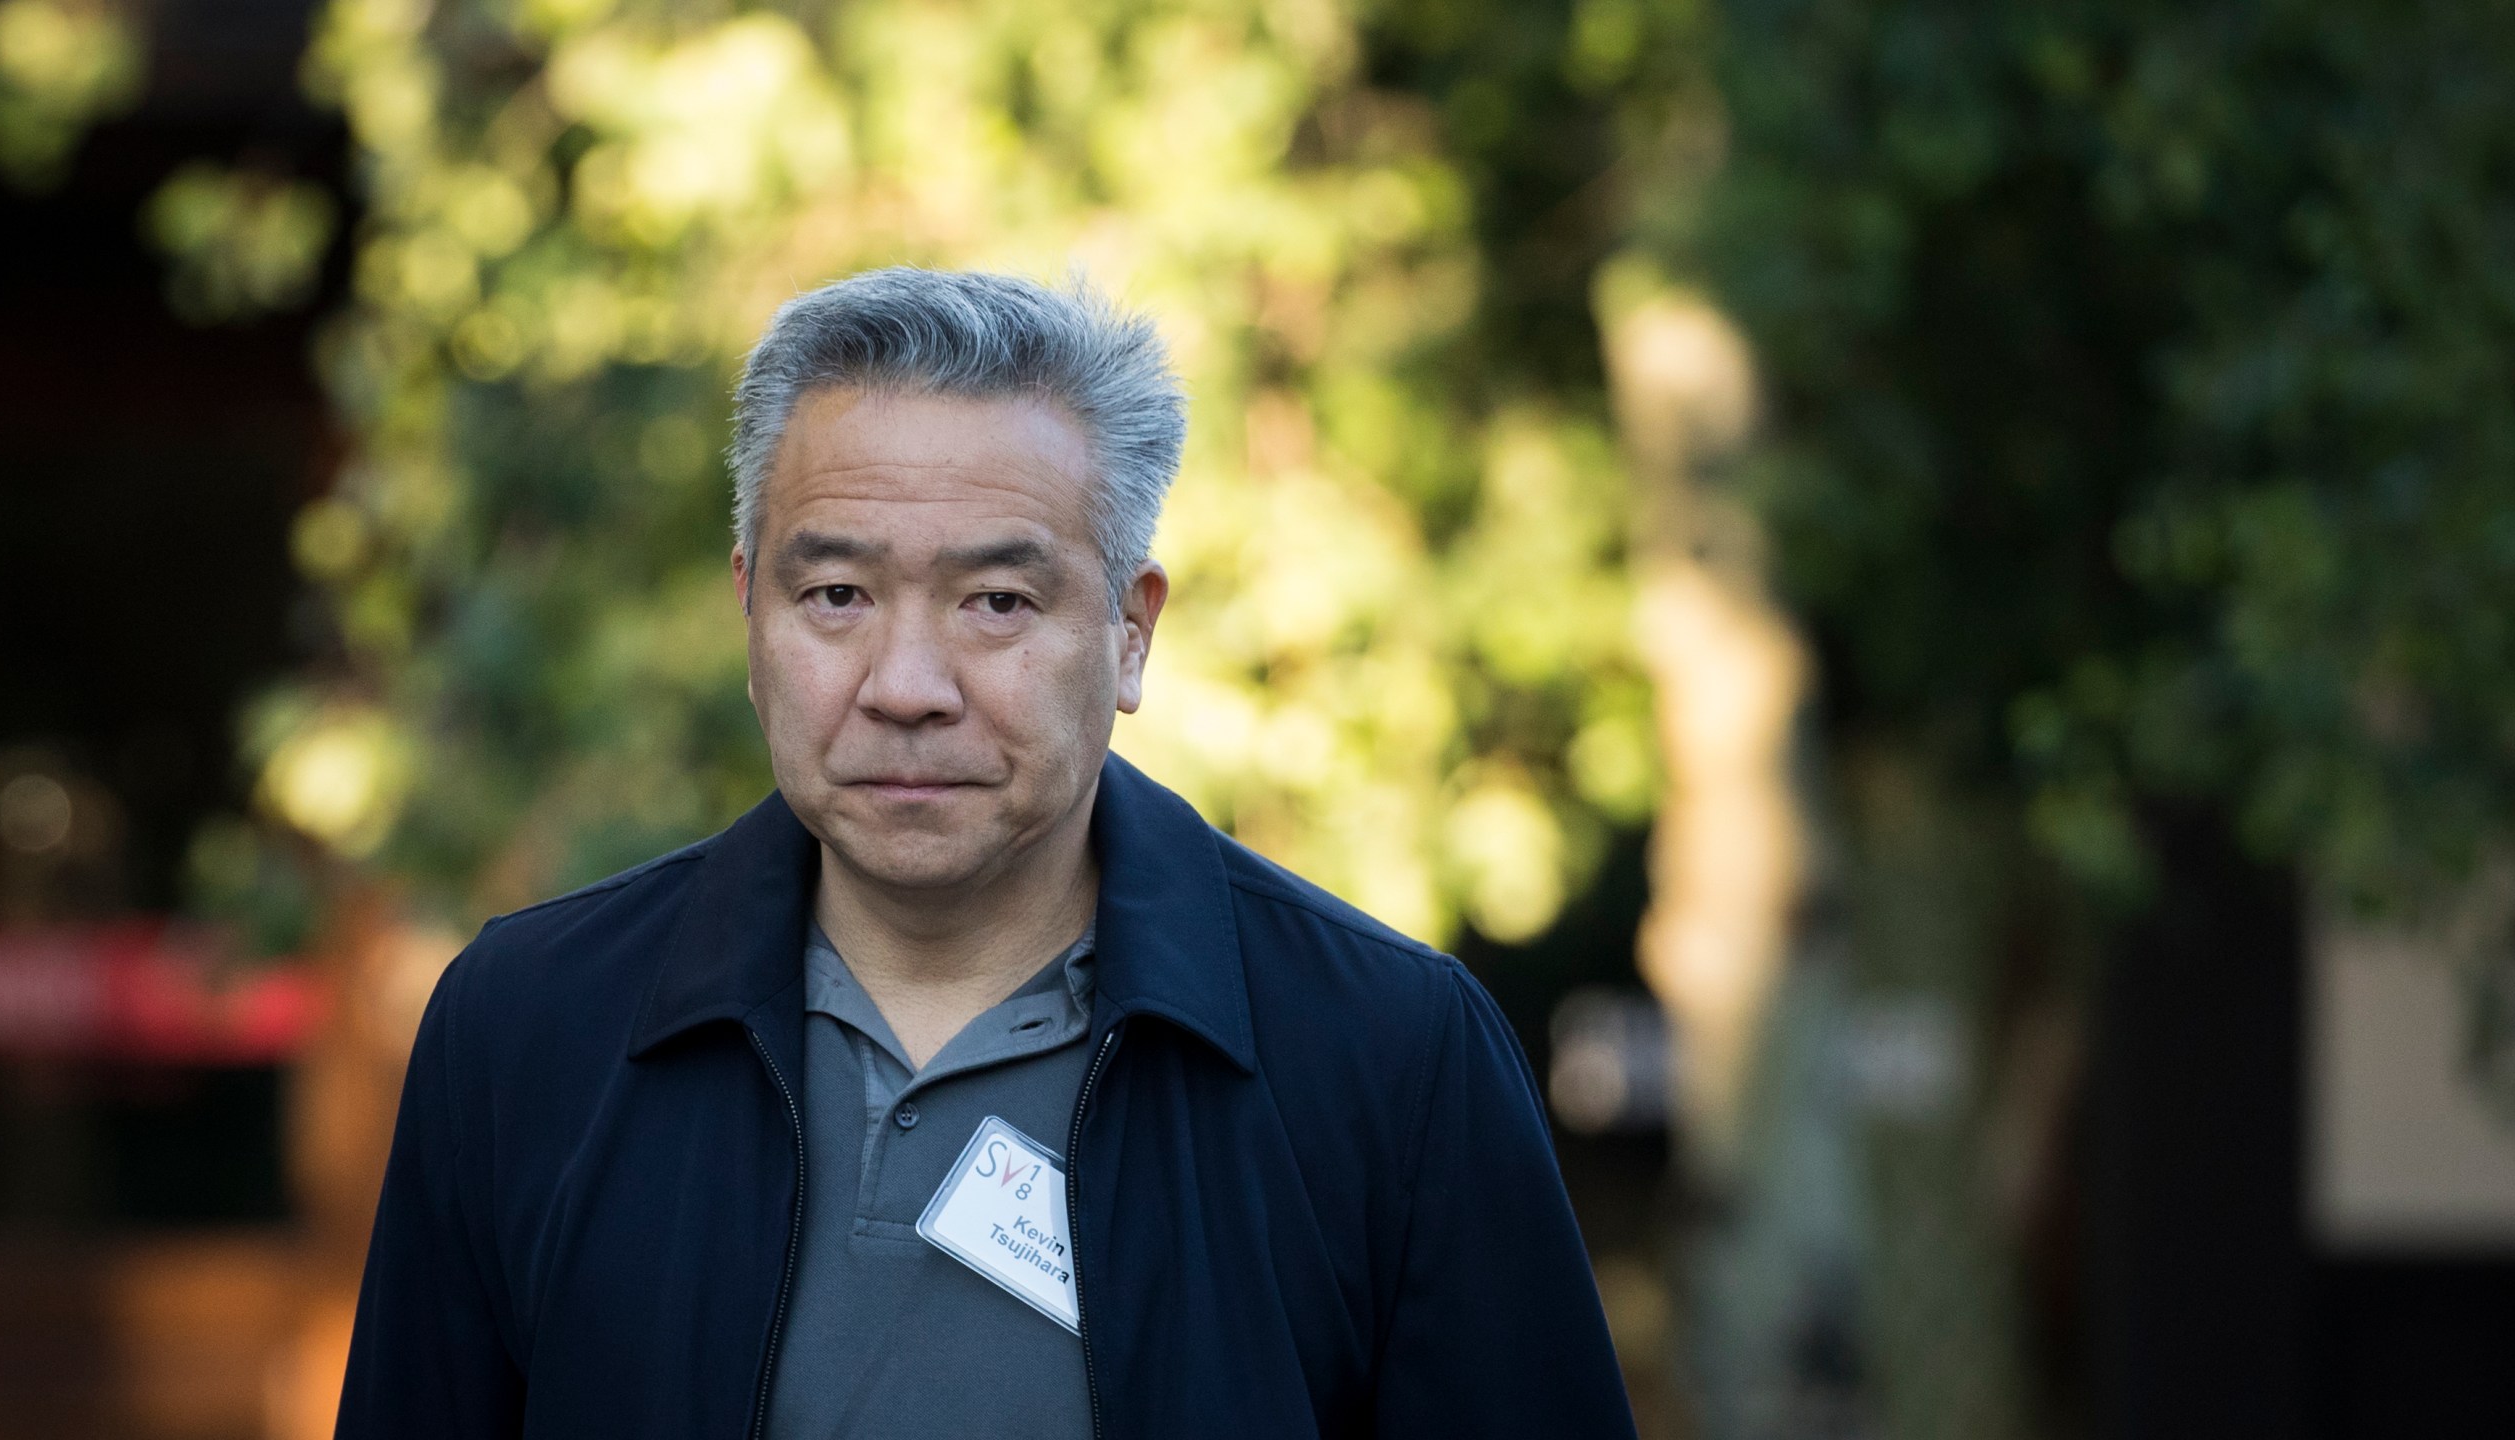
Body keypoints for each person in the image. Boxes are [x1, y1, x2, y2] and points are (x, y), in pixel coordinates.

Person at [335, 268, 1638, 1439]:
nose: (907, 685)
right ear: (749, 614)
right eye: (835, 595)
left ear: (1131, 633)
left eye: (998, 602)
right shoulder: (528, 1029)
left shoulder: (1384, 1058)